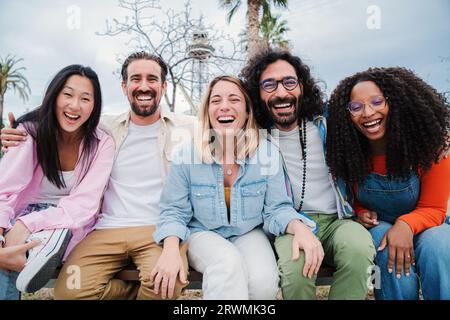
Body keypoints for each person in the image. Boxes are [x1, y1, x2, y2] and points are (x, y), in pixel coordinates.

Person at [1, 52, 195, 300]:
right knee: (70, 292)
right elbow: (61, 115)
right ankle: (131, 293)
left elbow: (228, 124)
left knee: (165, 285)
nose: (144, 86)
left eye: (152, 79)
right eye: (136, 78)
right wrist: (18, 129)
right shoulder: (103, 128)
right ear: (124, 86)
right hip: (106, 228)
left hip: (159, 229)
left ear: (164, 86)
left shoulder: (189, 128)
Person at [151, 75, 321, 300]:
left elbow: (277, 209)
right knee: (227, 263)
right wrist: (171, 249)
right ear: (207, 111)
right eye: (216, 101)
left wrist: (300, 228)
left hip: (248, 231)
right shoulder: (186, 155)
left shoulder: (266, 154)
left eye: (234, 99)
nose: (224, 107)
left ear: (247, 111)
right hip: (202, 232)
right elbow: (173, 211)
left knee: (264, 283)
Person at [240, 49, 376, 300]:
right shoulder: (255, 140)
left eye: (289, 82)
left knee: (358, 250)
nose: (281, 93)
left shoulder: (329, 124)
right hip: (289, 224)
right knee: (297, 269)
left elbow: (375, 125)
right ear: (257, 93)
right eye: (269, 85)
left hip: (337, 221)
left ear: (302, 87)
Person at [326, 67, 450, 300]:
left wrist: (404, 226)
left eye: (376, 102)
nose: (368, 113)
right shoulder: (349, 155)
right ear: (347, 115)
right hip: (380, 226)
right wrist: (361, 213)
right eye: (356, 107)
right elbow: (351, 200)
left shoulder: (429, 147)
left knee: (441, 244)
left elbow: (436, 208)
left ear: (396, 103)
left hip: (427, 226)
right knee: (384, 243)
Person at [0, 65, 115, 299]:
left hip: (68, 220)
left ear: (94, 106)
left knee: (16, 251)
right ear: (54, 96)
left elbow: (84, 204)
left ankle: (44, 245)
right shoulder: (29, 131)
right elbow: (5, 191)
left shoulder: (102, 142)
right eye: (68, 94)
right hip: (19, 215)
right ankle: (34, 248)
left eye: (85, 98)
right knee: (6, 256)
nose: (75, 106)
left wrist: (26, 225)